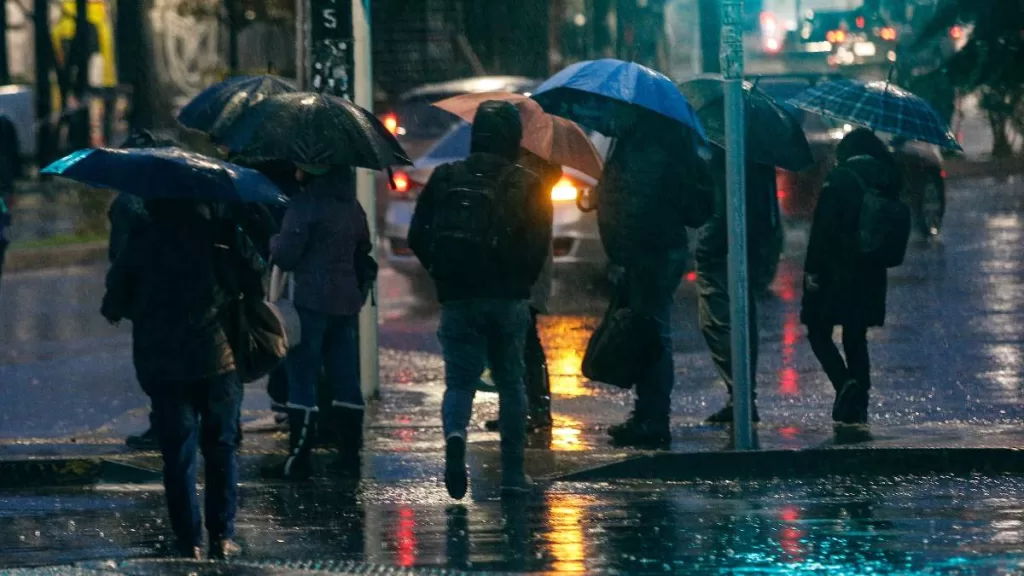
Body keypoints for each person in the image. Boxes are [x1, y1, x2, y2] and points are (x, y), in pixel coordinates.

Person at [101, 198, 265, 560]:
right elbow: (256, 276)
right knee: (221, 447)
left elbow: (114, 302)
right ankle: (222, 535)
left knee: (177, 452)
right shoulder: (222, 234)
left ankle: (189, 540)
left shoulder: (142, 239)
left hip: (164, 364)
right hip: (218, 358)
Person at [408, 101, 552, 499]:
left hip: (458, 297)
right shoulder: (528, 183)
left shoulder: (446, 176)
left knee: (459, 383)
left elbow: (418, 235)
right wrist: (519, 283)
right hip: (507, 298)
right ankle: (513, 472)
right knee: (511, 382)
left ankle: (456, 435)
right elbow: (538, 246)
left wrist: (442, 274)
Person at [600, 118, 714, 449]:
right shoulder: (663, 137)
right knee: (647, 331)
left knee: (652, 333)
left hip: (649, 252)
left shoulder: (648, 143)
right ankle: (647, 414)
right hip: (657, 249)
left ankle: (653, 419)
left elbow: (636, 202)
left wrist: (621, 253)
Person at [270, 164, 372, 480]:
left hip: (310, 301)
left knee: (302, 377)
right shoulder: (353, 206)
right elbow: (363, 248)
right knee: (345, 377)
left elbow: (286, 255)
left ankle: (298, 458)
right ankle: (350, 456)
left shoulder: (305, 204)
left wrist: (274, 240)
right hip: (346, 302)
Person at [802, 128, 903, 424]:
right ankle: (859, 403)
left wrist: (812, 269)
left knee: (817, 330)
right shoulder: (886, 179)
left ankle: (846, 384)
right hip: (871, 271)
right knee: (856, 336)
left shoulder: (840, 179)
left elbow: (822, 230)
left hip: (837, 272)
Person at [696, 148, 781, 423]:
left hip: (724, 248)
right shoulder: (759, 153)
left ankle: (740, 396)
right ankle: (742, 396)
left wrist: (706, 246)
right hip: (751, 243)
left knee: (720, 321)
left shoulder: (727, 153)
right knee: (742, 318)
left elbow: (721, 208)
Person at [484, 149, 558, 433]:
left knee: (523, 340)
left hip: (525, 270)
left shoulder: (529, 176)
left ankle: (533, 408)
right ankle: (528, 407)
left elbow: (521, 227)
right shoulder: (531, 172)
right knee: (519, 339)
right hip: (525, 268)